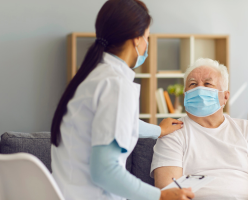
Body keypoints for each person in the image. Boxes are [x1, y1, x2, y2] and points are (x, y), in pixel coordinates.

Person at [50, 0, 194, 200]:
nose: (147, 44)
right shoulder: (116, 84)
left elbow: (114, 123)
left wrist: (158, 131)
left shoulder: (93, 77)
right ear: (137, 39)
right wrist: (161, 196)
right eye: (147, 37)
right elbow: (105, 171)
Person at [151, 58, 248, 200]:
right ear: (185, 95)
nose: (199, 89)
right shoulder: (172, 132)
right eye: (192, 84)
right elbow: (167, 191)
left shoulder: (246, 129)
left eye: (208, 84)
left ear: (225, 96)